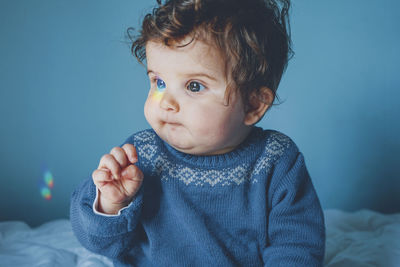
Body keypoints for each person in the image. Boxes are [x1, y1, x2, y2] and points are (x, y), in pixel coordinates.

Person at [70, 0, 325, 266]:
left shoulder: (276, 161)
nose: (166, 102)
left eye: (193, 86)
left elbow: (297, 246)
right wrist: (112, 204)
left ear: (252, 105)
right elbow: (99, 243)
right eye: (159, 82)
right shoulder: (139, 155)